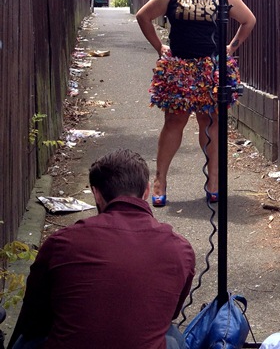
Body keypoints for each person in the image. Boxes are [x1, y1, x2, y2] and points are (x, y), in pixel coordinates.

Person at [9, 149, 196, 349]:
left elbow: (33, 319)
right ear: (147, 191)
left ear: (96, 193)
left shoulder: (62, 243)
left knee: (25, 340)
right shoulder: (180, 250)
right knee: (171, 335)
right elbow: (168, 312)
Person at [136, 0, 256, 206]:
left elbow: (248, 20)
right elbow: (143, 16)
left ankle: (213, 180)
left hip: (211, 71)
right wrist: (159, 47)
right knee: (174, 122)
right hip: (179, 68)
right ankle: (160, 180)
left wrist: (231, 48)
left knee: (210, 123)